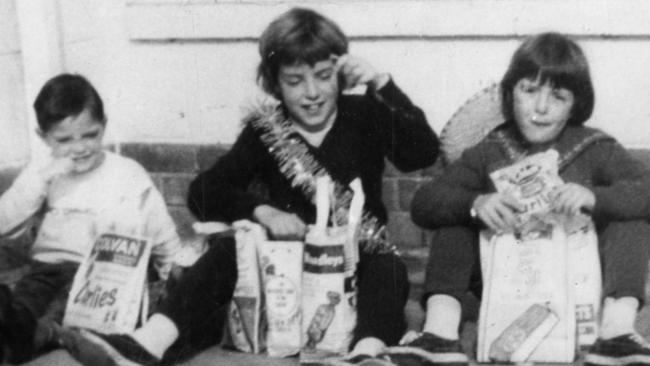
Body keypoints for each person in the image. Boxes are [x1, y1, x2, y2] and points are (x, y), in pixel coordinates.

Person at [62, 6, 439, 366]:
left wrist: (381, 83)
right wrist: (262, 210)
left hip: (356, 261)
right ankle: (147, 344)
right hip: (285, 271)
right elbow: (204, 191)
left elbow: (421, 152)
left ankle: (367, 353)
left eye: (324, 76)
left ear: (340, 73)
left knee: (389, 268)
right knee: (227, 251)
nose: (312, 92)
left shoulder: (366, 113)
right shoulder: (267, 130)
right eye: (295, 81)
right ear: (274, 82)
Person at [384, 32, 650, 366]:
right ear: (511, 94)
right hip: (505, 282)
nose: (541, 107)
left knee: (628, 213)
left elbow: (646, 190)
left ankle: (617, 333)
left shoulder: (594, 148)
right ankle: (440, 332)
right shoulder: (490, 151)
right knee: (456, 212)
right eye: (529, 90)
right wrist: (477, 204)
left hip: (576, 284)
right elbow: (425, 202)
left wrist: (594, 197)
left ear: (575, 105)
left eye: (558, 96)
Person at [0, 73, 181, 363]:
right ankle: (21, 330)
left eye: (90, 134)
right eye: (64, 139)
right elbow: (5, 221)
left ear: (103, 127)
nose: (80, 147)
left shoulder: (126, 173)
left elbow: (159, 226)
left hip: (100, 275)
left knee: (67, 308)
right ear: (43, 137)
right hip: (47, 268)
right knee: (25, 304)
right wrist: (42, 180)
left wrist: (173, 270)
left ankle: (45, 335)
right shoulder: (43, 172)